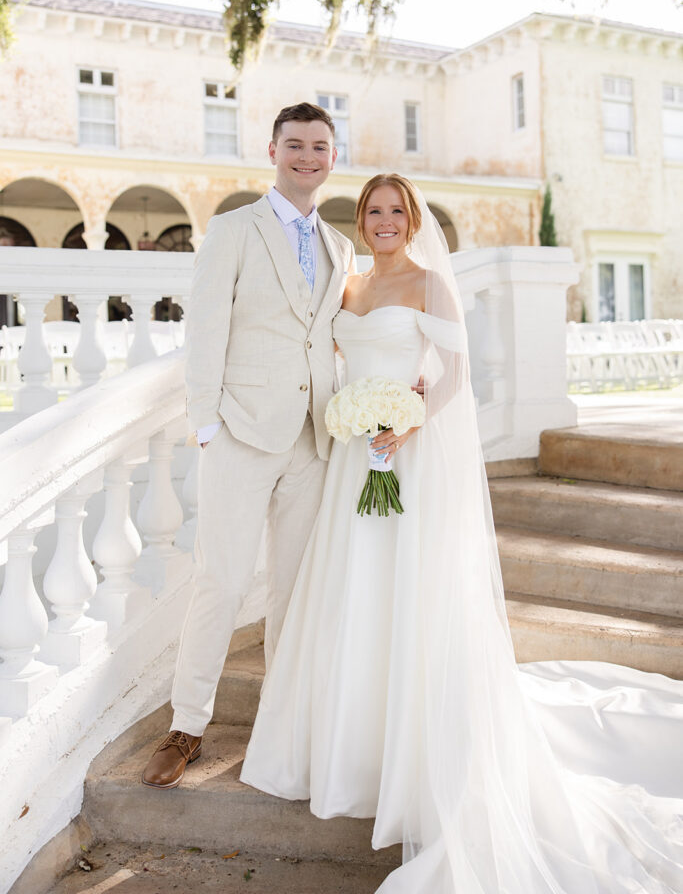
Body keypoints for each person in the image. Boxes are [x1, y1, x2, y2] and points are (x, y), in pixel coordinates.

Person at [241, 173, 683, 892]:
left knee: (406, 595)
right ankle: (347, 750)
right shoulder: (346, 286)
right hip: (354, 460)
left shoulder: (427, 283)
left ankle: (412, 754)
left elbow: (453, 374)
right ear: (362, 220)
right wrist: (356, 423)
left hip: (401, 461)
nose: (384, 221)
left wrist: (406, 427)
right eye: (373, 211)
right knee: (351, 597)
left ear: (412, 220)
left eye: (396, 212)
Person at [142, 102, 356, 789]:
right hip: (238, 431)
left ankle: (285, 720)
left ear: (331, 156)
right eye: (294, 145)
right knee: (221, 581)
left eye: (318, 146)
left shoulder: (339, 247)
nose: (306, 156)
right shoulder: (233, 230)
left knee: (296, 589)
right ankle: (186, 725)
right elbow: (204, 329)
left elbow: (328, 338)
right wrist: (206, 425)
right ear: (272, 151)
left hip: (313, 439)